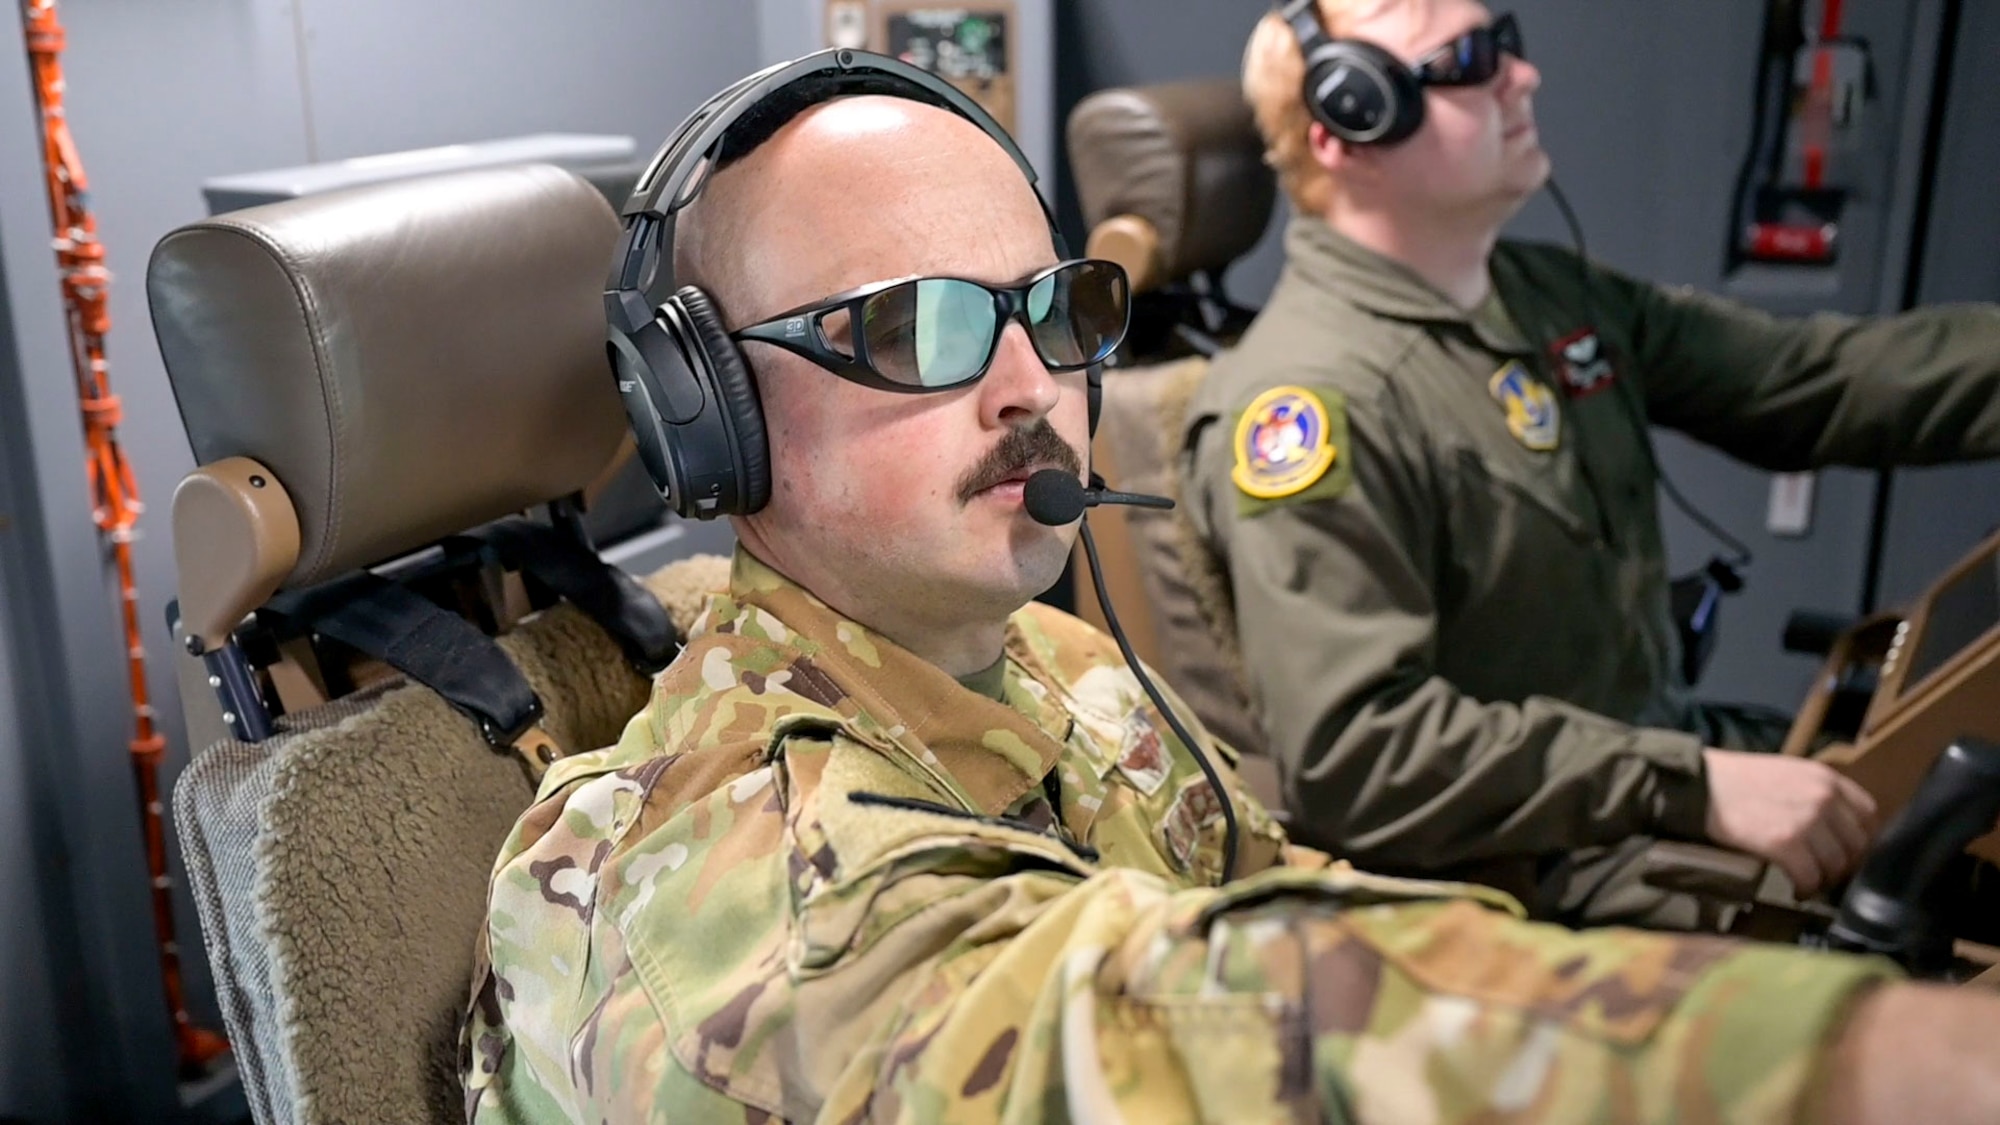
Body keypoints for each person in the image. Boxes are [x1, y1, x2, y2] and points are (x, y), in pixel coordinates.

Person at [463, 50, 2000, 1125]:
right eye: (914, 328)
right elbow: (1127, 1030)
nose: (1032, 388)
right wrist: (1841, 1069)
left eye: (1047, 309)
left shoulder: (1048, 661)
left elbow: (1280, 900)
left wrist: (1581, 980)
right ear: (706, 411)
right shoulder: (731, 880)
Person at [1182, 0, 2000, 928]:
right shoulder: (1313, 401)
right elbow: (1360, 754)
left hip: (1652, 775)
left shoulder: (1542, 296)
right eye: (1471, 59)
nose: (1520, 76)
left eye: (1510, 42)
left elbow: (1812, 382)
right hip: (1533, 866)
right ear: (1351, 122)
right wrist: (1689, 784)